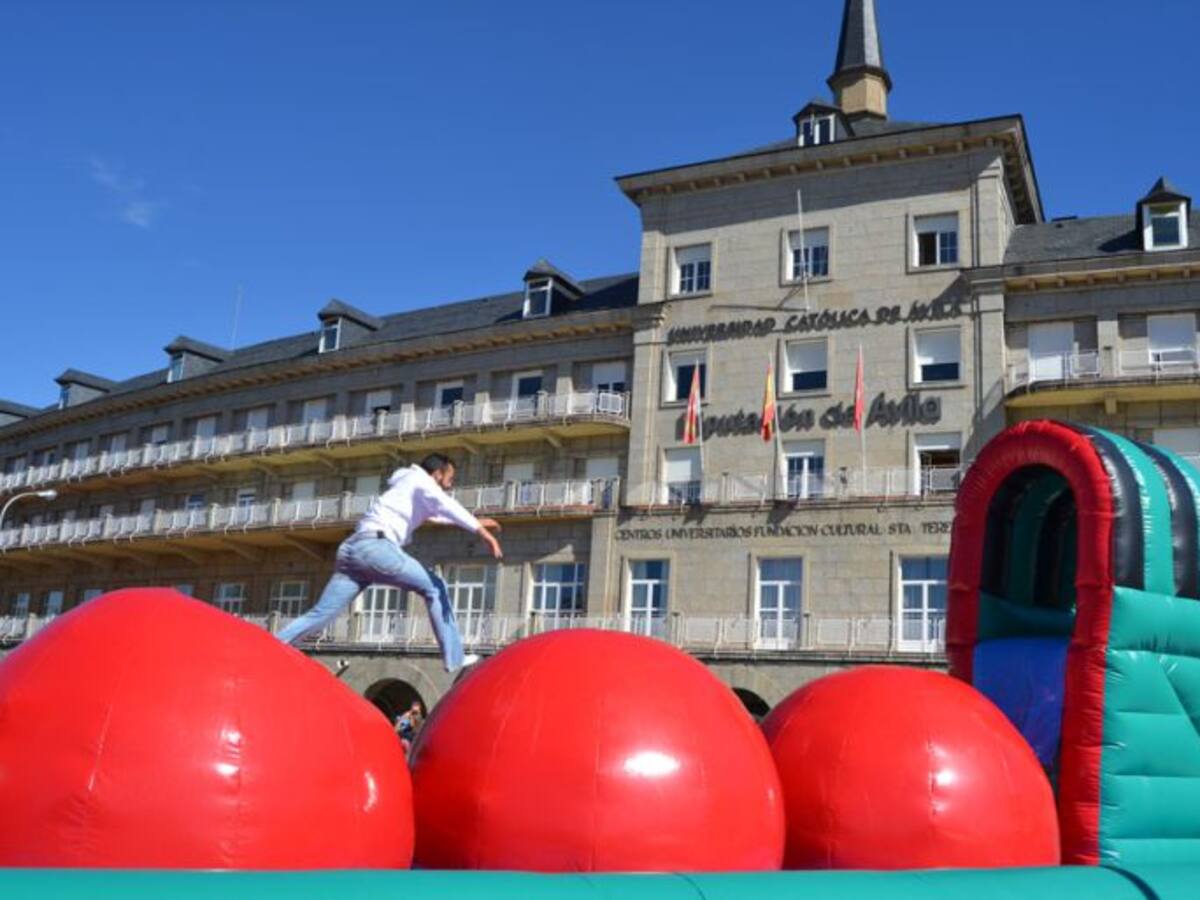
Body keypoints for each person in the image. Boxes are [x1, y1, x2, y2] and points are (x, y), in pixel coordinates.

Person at [276, 453, 503, 672]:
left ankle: (273, 646)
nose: (450, 485)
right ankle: (455, 659)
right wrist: (481, 532)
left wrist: (477, 521)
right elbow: (445, 505)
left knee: (322, 613)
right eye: (450, 479)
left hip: (353, 550)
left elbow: (437, 515)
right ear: (437, 474)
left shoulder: (406, 484)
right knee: (436, 587)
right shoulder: (422, 481)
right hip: (377, 548)